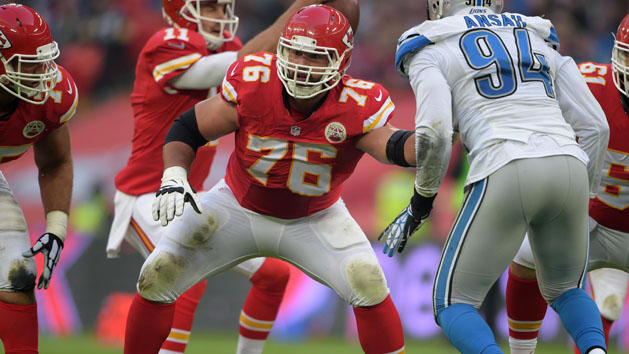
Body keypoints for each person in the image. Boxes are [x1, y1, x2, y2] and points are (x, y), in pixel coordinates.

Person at [124, 5, 412, 354]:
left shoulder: (356, 101)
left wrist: (426, 144)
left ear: (342, 61)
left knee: (368, 283)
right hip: (236, 206)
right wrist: (174, 175)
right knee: (158, 274)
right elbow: (188, 126)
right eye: (295, 52)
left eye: (316, 57)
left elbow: (392, 146)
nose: (303, 64)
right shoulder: (255, 80)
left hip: (315, 218)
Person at [105, 1, 341, 353]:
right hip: (148, 194)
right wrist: (298, 9)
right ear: (181, 9)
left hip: (191, 195)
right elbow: (237, 66)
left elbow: (256, 66)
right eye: (211, 8)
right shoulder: (166, 42)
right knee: (182, 268)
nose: (220, 16)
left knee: (273, 276)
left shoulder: (229, 47)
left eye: (222, 7)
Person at [383, 1, 610, 353]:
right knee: (568, 290)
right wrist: (587, 193)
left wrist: (421, 200)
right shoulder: (535, 34)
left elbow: (435, 133)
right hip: (568, 161)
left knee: (452, 303)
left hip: (504, 162)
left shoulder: (428, 42)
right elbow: (595, 126)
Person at [506, 13, 629, 354]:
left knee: (609, 301)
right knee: (528, 256)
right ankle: (521, 351)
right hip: (587, 221)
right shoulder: (588, 84)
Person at [0, 3, 79, 353]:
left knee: (17, 277)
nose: (42, 71)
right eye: (28, 62)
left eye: (44, 59)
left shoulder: (51, 95)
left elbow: (56, 161)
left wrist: (57, 226)